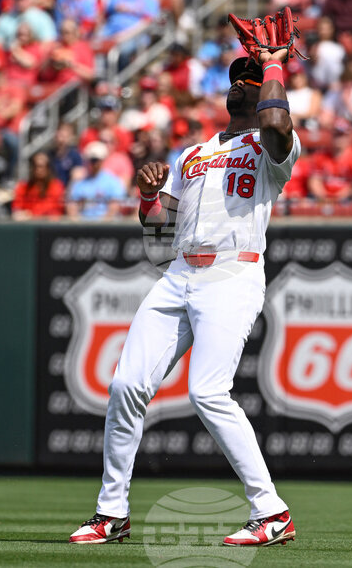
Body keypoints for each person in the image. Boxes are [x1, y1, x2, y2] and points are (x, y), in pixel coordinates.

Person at [69, 50, 301, 547]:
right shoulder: (193, 153)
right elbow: (157, 225)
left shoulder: (270, 143)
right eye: (237, 77)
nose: (240, 83)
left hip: (232, 271)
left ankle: (271, 511)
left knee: (208, 392)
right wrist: (148, 194)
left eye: (251, 79)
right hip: (179, 272)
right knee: (126, 384)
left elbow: (277, 119)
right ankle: (112, 514)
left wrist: (275, 65)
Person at [65, 140, 126, 220]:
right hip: (84, 226)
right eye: (92, 160)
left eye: (97, 160)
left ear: (102, 160)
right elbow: (72, 207)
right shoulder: (80, 183)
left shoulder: (113, 181)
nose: (94, 163)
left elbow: (114, 207)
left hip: (107, 227)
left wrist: (100, 226)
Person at [14, 152, 65, 219]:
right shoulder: (23, 187)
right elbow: (17, 209)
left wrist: (31, 214)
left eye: (41, 166)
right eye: (35, 166)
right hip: (28, 225)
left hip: (49, 226)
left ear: (48, 168)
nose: (38, 170)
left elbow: (57, 211)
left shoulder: (57, 186)